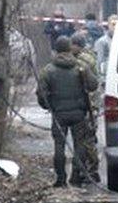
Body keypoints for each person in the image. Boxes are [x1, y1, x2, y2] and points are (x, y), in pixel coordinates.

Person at [36, 36, 100, 187]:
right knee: (80, 145)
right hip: (79, 113)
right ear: (70, 48)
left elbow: (41, 94)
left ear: (56, 49)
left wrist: (48, 106)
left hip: (58, 114)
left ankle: (60, 179)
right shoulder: (80, 67)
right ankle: (76, 176)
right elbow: (93, 85)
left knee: (59, 145)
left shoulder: (48, 70)